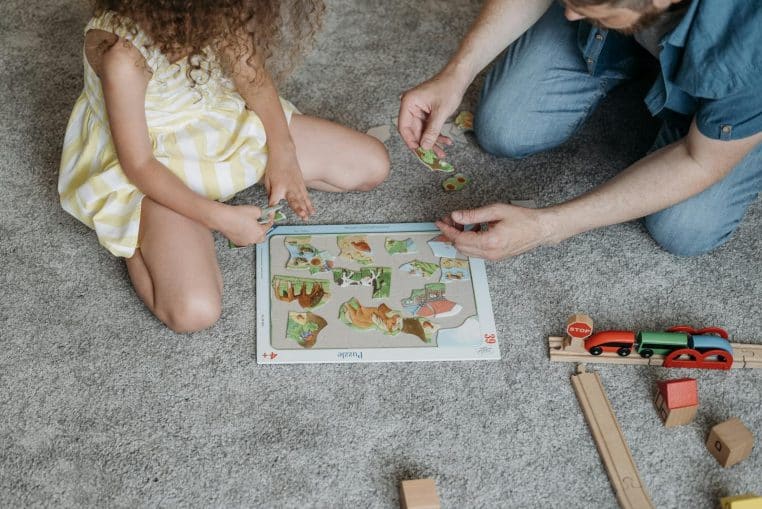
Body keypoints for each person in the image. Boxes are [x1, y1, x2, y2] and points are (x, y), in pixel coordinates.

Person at [59, 1, 389, 332]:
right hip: (153, 165)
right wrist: (222, 218)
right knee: (195, 311)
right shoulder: (123, 55)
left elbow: (254, 81)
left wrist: (283, 151)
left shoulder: (219, 8)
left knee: (373, 165)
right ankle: (138, 238)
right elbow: (140, 165)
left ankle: (218, 190)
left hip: (216, 125)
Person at [399, 0, 761, 261]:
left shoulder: (750, 45)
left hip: (741, 81)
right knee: (505, 128)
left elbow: (700, 161)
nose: (569, 12)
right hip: (639, 31)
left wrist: (546, 227)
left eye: (586, 4)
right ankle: (636, 53)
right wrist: (457, 73)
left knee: (684, 227)